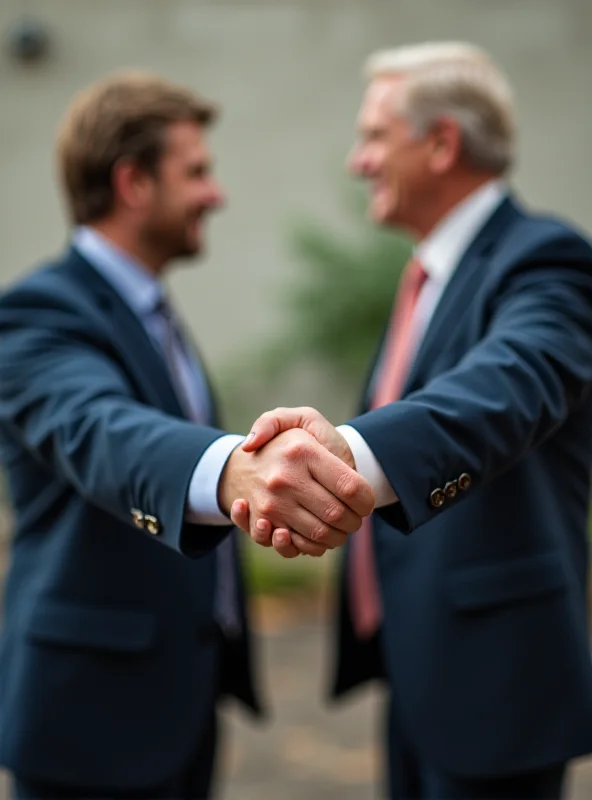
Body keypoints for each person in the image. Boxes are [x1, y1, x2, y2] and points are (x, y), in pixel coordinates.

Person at [232, 42, 592, 799]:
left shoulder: (547, 261)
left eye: (373, 136)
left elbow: (510, 382)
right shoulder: (428, 273)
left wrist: (350, 456)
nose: (358, 161)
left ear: (441, 144)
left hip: (500, 683)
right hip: (420, 665)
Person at [0, 72, 374, 800]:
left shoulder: (152, 311)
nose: (216, 194)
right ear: (133, 182)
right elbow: (101, 430)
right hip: (86, 721)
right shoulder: (34, 314)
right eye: (196, 171)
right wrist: (232, 469)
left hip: (182, 700)